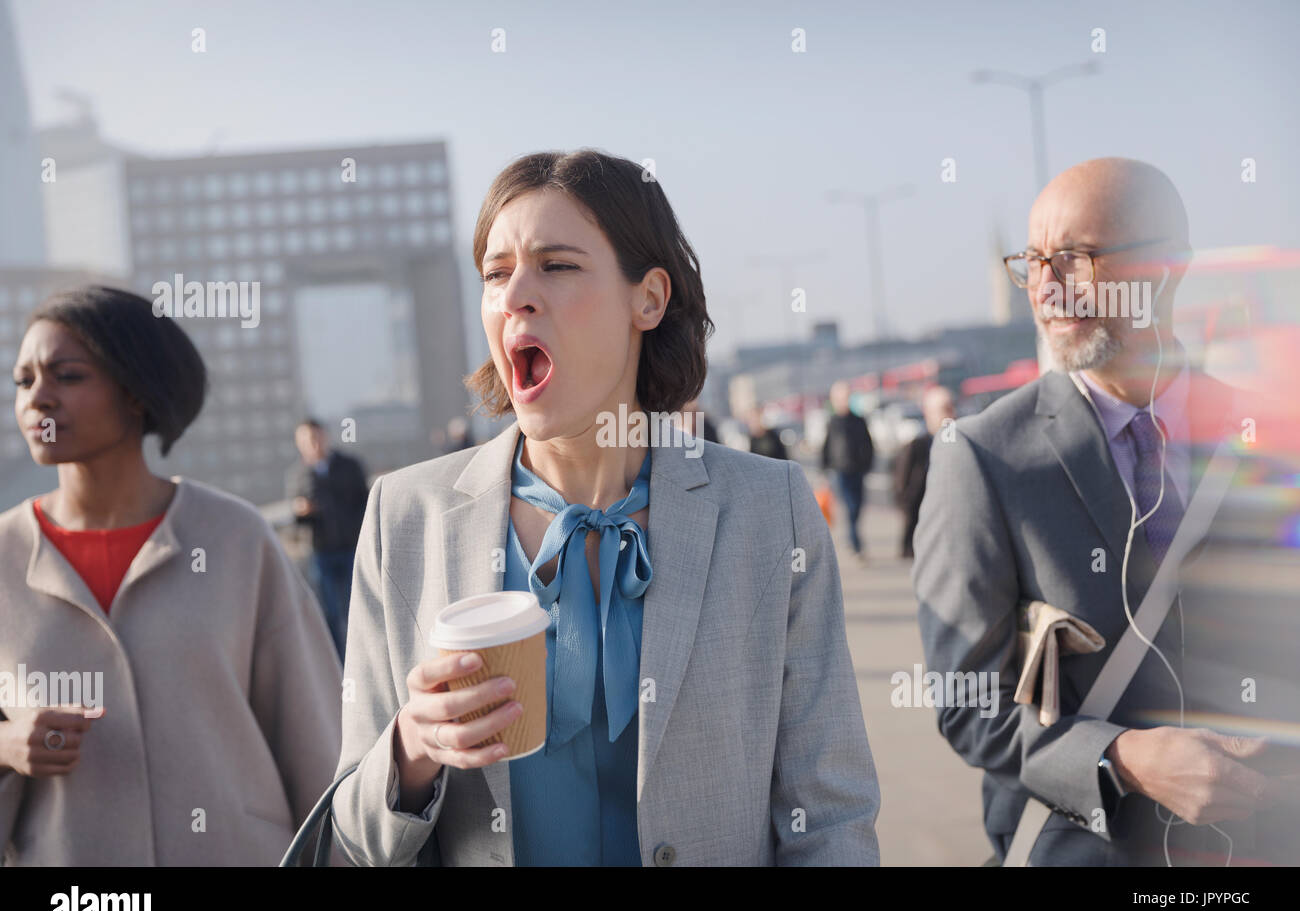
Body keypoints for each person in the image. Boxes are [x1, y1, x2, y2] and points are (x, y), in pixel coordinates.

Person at [330, 149, 880, 866]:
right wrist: (412, 747)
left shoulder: (769, 512)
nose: (517, 295)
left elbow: (831, 817)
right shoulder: (405, 518)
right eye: (497, 274)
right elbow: (355, 834)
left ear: (648, 299)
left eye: (556, 265)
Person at [913, 158, 1287, 865]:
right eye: (1033, 261)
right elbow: (967, 703)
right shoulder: (984, 456)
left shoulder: (1263, 435)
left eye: (1075, 259)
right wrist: (1124, 757)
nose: (1045, 287)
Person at [0, 286, 342, 865]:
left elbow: (317, 742)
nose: (39, 399)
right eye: (24, 380)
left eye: (67, 375)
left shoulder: (236, 538)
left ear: (134, 391)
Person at [288, 419, 369, 661]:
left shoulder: (349, 465)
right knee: (330, 612)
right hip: (321, 551)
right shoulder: (298, 476)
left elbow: (364, 503)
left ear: (325, 436)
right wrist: (302, 512)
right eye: (306, 441)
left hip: (352, 548)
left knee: (358, 606)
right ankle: (341, 665)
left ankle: (365, 658)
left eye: (316, 438)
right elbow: (298, 520)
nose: (313, 445)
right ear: (299, 445)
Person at [892, 387, 954, 559]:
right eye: (943, 410)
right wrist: (902, 499)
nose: (948, 415)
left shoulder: (958, 440)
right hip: (920, 506)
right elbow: (902, 476)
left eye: (950, 408)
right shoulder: (917, 445)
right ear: (928, 414)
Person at [820, 380, 874, 563]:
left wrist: (867, 464)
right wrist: (824, 469)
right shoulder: (833, 422)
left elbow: (868, 444)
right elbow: (826, 446)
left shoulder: (859, 420)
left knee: (857, 507)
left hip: (857, 469)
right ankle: (856, 544)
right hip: (840, 470)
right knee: (850, 507)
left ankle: (851, 537)